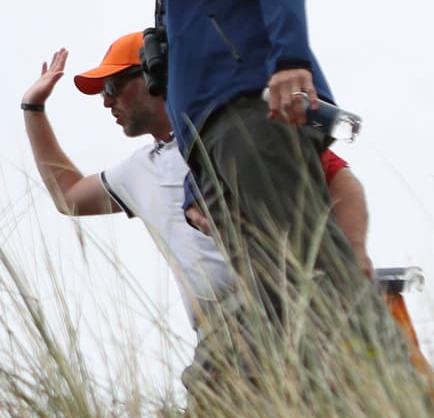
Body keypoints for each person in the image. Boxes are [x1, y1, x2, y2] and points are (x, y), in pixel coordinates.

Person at [70, 0, 399, 368]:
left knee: (311, 274)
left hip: (253, 111)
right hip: (215, 146)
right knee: (278, 302)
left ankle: (396, 400)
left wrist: (291, 59)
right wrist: (199, 184)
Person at [23, 33, 405, 389]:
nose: (107, 102)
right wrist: (33, 108)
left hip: (278, 303)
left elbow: (339, 178)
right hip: (217, 330)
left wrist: (354, 254)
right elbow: (68, 195)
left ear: (153, 77)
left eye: (113, 86)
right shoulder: (137, 170)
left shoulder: (228, 132)